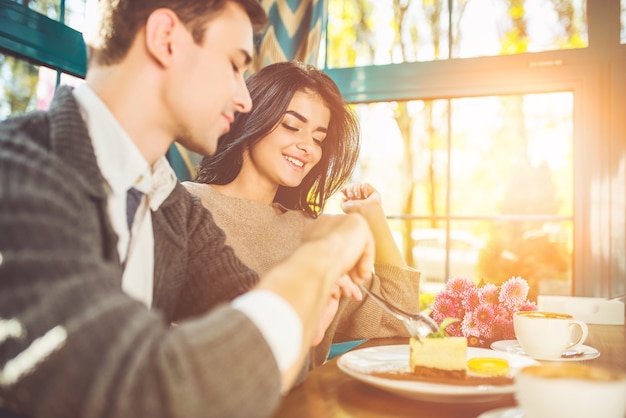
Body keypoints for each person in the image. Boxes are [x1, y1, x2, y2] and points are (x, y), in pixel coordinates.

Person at [0, 2, 377, 418]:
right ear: (166, 39)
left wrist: (302, 321)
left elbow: (259, 354)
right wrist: (320, 255)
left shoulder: (170, 205)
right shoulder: (17, 170)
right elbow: (147, 392)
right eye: (234, 66)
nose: (244, 100)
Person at [184, 61, 420, 368]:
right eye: (292, 126)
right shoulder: (187, 205)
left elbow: (401, 317)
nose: (307, 146)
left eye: (318, 138)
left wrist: (373, 217)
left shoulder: (313, 233)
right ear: (252, 118)